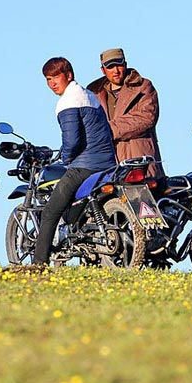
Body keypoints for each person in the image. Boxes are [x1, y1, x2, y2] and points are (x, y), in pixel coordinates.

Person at [31, 57, 116, 265]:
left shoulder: (69, 101)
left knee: (51, 210)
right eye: (48, 79)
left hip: (85, 165)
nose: (52, 83)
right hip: (107, 163)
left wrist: (66, 157)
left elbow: (73, 140)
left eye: (56, 77)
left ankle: (38, 263)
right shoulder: (90, 96)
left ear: (68, 76)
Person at [87, 48, 165, 179]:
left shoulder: (143, 86)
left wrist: (106, 130)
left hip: (141, 164)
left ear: (125, 64)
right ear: (103, 70)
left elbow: (146, 118)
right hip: (108, 166)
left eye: (119, 65)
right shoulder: (93, 93)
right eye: (110, 67)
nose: (116, 71)